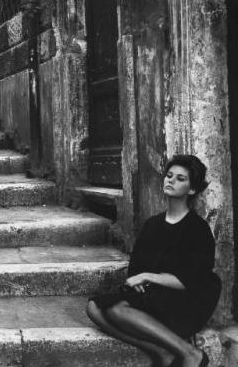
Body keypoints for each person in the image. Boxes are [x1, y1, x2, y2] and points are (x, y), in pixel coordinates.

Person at [86, 155, 221, 367]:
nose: (171, 181)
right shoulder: (152, 225)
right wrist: (139, 281)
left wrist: (147, 276)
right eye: (169, 176)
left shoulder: (197, 229)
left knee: (117, 310)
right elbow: (136, 269)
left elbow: (193, 280)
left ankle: (190, 354)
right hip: (153, 296)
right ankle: (161, 352)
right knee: (93, 308)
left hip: (184, 302)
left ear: (192, 189)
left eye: (180, 179)